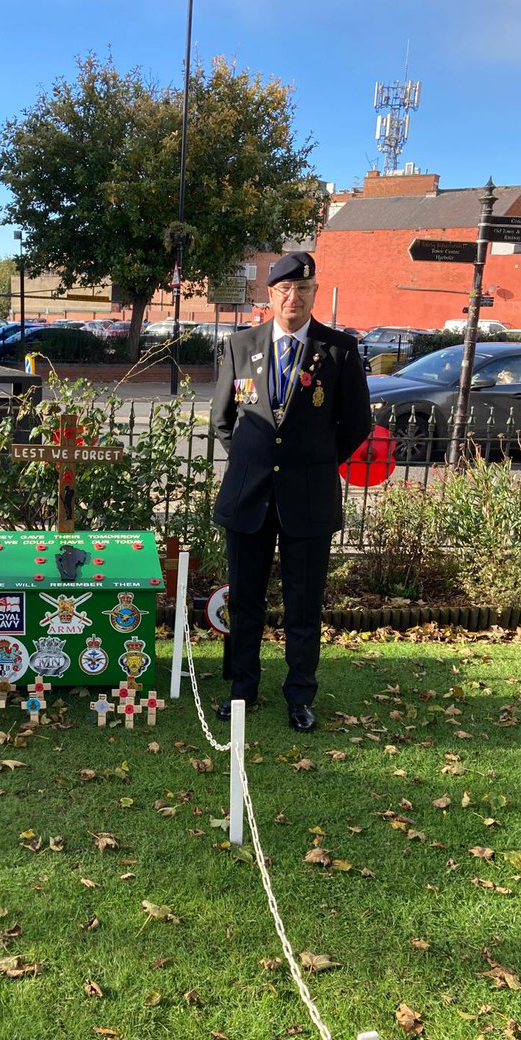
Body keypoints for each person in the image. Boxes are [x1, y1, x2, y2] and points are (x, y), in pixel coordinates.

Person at [211, 251, 371, 732]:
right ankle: (243, 689)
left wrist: (314, 460)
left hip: (309, 496)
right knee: (245, 600)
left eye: (303, 289)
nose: (293, 297)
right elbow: (224, 420)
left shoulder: (339, 350)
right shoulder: (241, 345)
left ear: (315, 292)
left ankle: (300, 695)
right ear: (271, 294)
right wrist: (257, 459)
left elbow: (356, 425)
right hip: (249, 496)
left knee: (304, 603)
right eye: (284, 289)